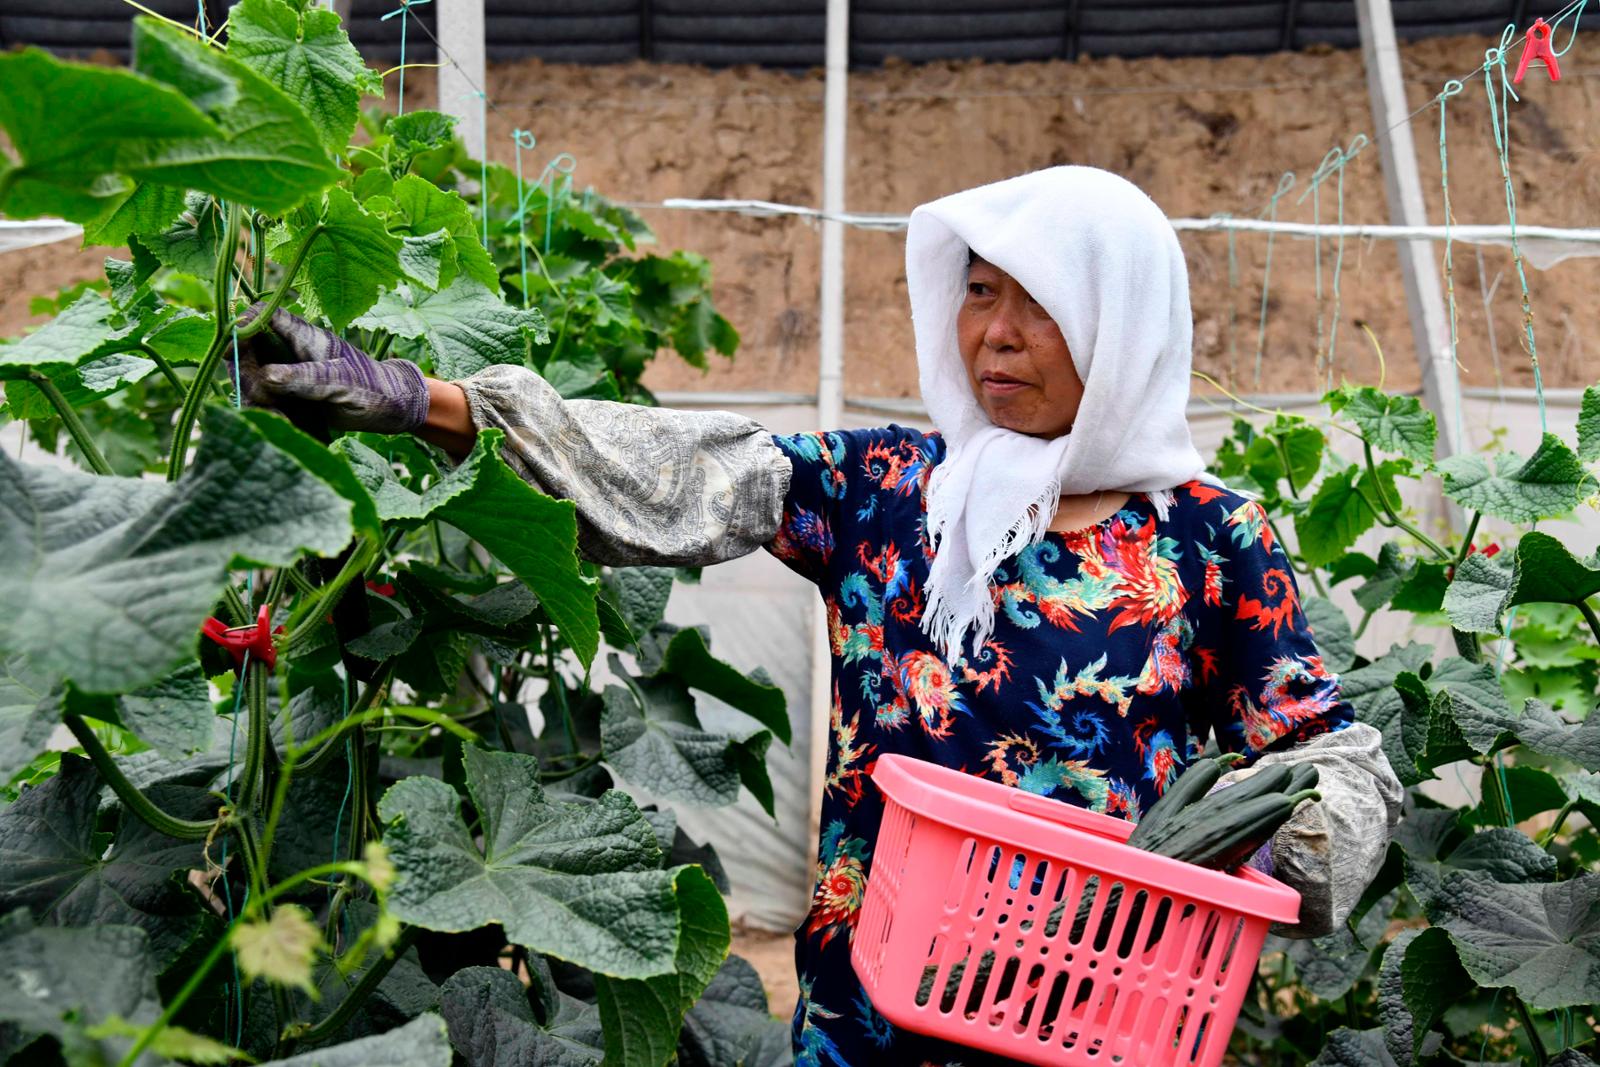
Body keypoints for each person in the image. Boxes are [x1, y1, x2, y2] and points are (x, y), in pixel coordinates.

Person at [235, 166, 1401, 1065]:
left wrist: (1263, 848)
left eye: (1038, 303)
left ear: (1121, 319)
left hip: (1096, 1018)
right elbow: (678, 471)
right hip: (868, 1009)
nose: (994, 331)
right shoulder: (889, 488)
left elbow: (1328, 753)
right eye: (978, 292)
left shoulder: (1208, 536)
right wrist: (416, 400)